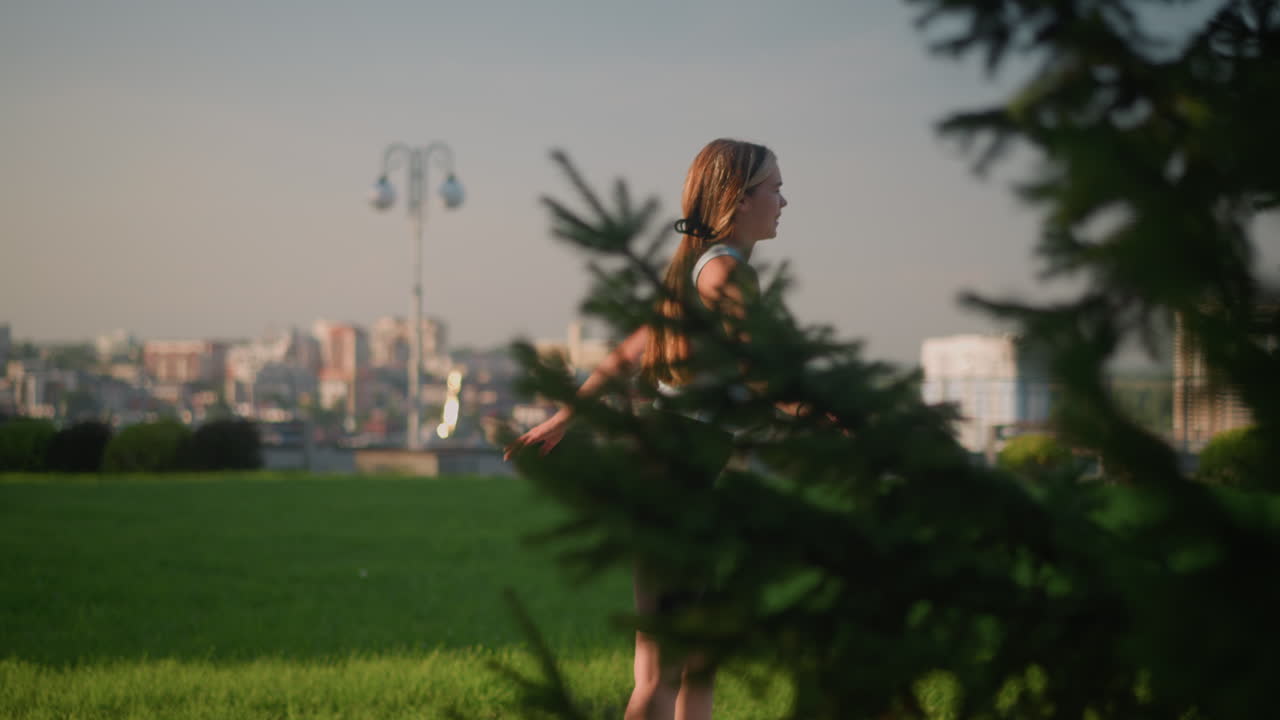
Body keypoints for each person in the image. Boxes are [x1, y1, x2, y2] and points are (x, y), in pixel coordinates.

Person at [504, 138, 788, 720]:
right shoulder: (725, 275)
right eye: (775, 189)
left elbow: (627, 354)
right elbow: (762, 372)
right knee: (662, 675)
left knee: (695, 664)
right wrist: (835, 412)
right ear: (738, 200)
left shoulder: (694, 269)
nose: (784, 201)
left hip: (673, 475)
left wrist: (563, 416)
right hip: (673, 482)